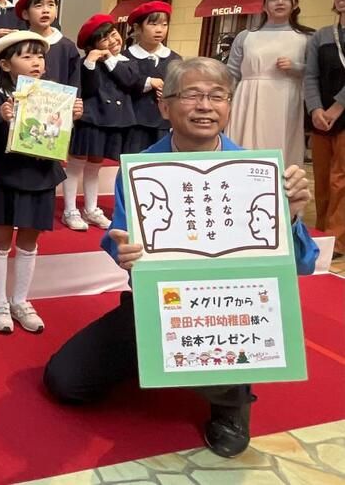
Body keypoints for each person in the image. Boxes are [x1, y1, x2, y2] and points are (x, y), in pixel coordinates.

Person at [43, 57, 319, 459]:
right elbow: (119, 237)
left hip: (230, 309)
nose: (205, 106)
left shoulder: (258, 172)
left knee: (225, 349)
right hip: (156, 303)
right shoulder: (140, 170)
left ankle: (231, 399)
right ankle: (160, 355)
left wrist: (291, 214)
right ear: (165, 106)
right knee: (64, 382)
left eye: (217, 96)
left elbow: (301, 265)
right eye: (191, 95)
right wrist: (120, 249)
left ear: (229, 105)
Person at [0, 31, 69, 333]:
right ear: (6, 65)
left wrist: (73, 116)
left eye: (40, 56)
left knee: (29, 241)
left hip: (41, 176)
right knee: (2, 239)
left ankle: (20, 300)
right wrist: (1, 119)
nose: (36, 62)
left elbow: (57, 136)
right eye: (27, 56)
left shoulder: (55, 95)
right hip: (8, 175)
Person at [227, 0, 314, 167]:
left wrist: (296, 67)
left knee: (280, 145)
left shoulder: (306, 37)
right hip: (247, 97)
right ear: (264, 6)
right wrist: (225, 100)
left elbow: (315, 73)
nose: (279, 2)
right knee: (245, 146)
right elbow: (232, 71)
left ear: (295, 4)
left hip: (286, 99)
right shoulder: (246, 36)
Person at [63, 15, 136, 231]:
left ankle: (91, 209)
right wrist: (91, 62)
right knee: (75, 164)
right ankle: (70, 210)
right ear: (93, 44)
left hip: (112, 121)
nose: (113, 41)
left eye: (114, 34)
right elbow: (89, 88)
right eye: (104, 39)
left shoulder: (124, 62)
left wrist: (110, 59)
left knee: (95, 166)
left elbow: (129, 81)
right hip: (90, 118)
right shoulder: (85, 63)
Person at [304, 0, 345, 256]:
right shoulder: (321, 35)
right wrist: (316, 109)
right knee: (320, 178)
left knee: (340, 179)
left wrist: (337, 107)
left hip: (341, 115)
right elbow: (310, 75)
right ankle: (321, 232)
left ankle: (337, 238)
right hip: (321, 118)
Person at [123, 0, 182, 153]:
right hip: (132, 126)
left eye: (164, 25)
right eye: (153, 24)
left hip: (164, 125)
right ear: (137, 28)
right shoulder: (124, 58)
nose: (159, 30)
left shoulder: (174, 59)